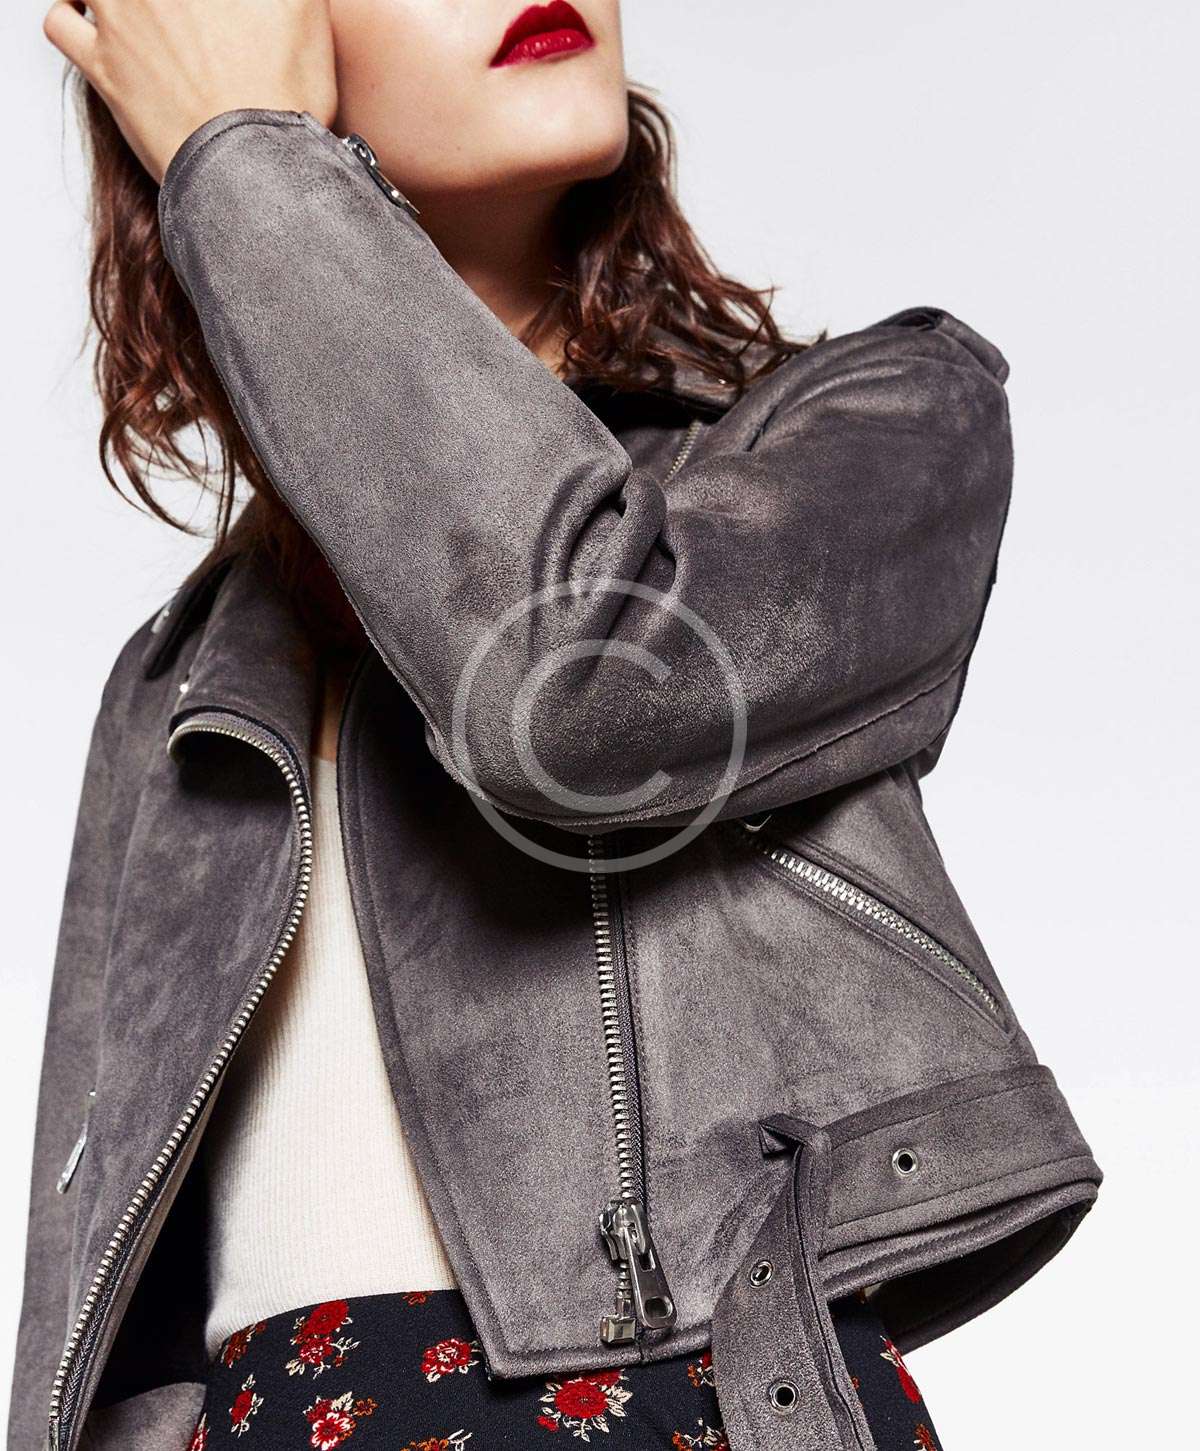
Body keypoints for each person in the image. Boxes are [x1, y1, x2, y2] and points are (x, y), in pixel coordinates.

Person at [15, 3, 1102, 1449]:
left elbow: (573, 694)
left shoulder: (880, 426)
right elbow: (97, 1325)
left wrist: (246, 159)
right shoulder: (183, 678)